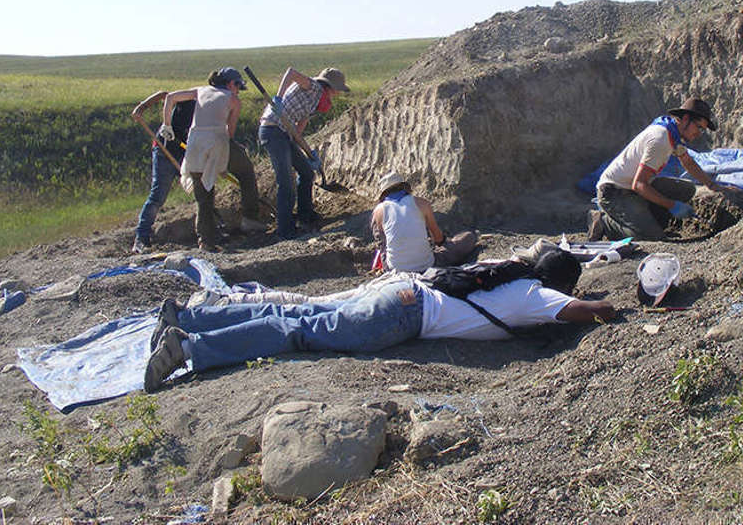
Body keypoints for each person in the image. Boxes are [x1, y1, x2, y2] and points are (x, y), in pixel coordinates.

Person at [143, 251, 616, 392]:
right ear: (558, 284)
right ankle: (188, 349)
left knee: (295, 310)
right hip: (402, 314)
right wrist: (614, 309)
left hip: (402, 292)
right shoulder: (537, 294)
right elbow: (586, 312)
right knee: (297, 331)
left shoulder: (510, 274)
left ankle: (190, 316)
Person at [593, 96, 734, 241]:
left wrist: (712, 185)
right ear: (685, 119)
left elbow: (688, 162)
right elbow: (639, 184)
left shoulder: (673, 133)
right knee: (650, 238)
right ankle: (605, 223)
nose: (699, 134)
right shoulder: (661, 140)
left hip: (632, 188)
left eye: (702, 130)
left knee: (686, 190)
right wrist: (672, 205)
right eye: (698, 127)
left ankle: (651, 225)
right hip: (614, 193)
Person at [160, 68, 268, 252]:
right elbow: (230, 133)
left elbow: (170, 98)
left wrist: (166, 125)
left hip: (194, 145)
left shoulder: (201, 91)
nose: (238, 91)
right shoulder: (233, 100)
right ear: (230, 84)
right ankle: (250, 219)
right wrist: (225, 161)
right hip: (218, 142)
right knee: (246, 172)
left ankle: (205, 241)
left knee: (203, 196)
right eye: (238, 87)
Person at [259, 67, 349, 239]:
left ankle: (305, 215)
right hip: (272, 130)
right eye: (336, 91)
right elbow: (291, 73)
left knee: (307, 172)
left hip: (285, 135)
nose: (336, 95)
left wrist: (309, 154)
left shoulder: (312, 104)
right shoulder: (313, 87)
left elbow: (297, 134)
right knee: (286, 183)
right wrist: (278, 97)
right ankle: (285, 230)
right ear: (329, 87)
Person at [370, 172, 478, 273]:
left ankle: (386, 269)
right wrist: (444, 242)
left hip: (395, 269)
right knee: (468, 237)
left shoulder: (378, 212)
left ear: (384, 193)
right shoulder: (422, 203)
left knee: (382, 243)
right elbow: (438, 239)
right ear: (404, 187)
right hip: (426, 265)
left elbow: (382, 244)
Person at [131, 92, 195, 253]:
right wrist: (141, 107)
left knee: (201, 189)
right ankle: (141, 237)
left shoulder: (214, 110)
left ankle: (210, 229)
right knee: (158, 194)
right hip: (164, 149)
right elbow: (165, 95)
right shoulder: (190, 100)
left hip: (184, 152)